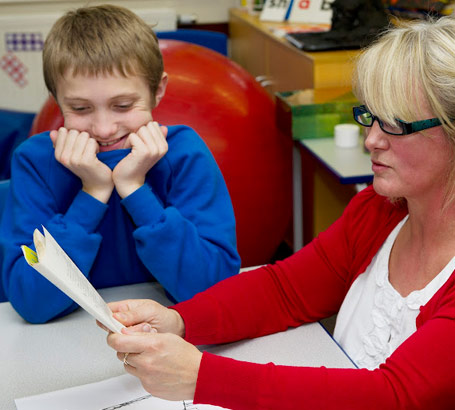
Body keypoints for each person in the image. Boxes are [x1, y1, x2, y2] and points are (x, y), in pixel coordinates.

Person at [102, 15, 455, 409]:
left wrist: (202, 378)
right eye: (370, 117)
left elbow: (393, 396)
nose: (371, 139)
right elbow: (285, 290)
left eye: (394, 125)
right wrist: (180, 321)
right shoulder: (380, 211)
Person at [0, 4, 240, 324]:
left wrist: (135, 189)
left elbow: (212, 290)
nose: (103, 129)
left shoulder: (184, 153)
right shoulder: (34, 161)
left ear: (158, 91)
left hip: (163, 334)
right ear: (57, 99)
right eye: (81, 108)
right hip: (65, 341)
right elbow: (32, 302)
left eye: (123, 105)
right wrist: (93, 192)